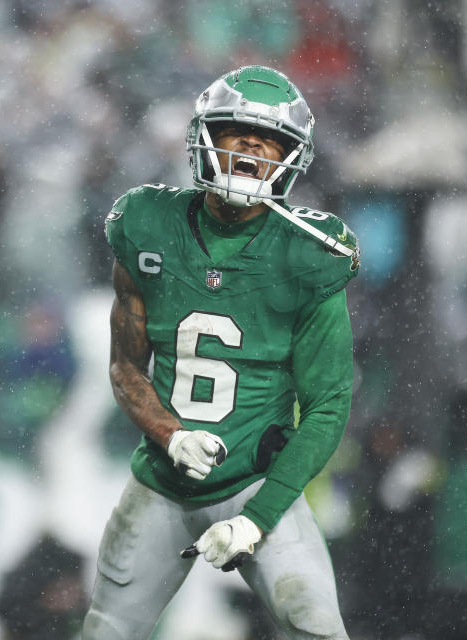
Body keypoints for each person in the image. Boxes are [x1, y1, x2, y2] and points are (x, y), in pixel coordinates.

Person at [83, 65, 360, 640]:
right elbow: (126, 366)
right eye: (238, 133)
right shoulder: (147, 225)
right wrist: (170, 433)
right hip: (162, 482)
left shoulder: (309, 253)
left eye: (272, 141)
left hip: (257, 481)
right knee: (107, 631)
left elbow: (328, 407)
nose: (252, 150)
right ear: (205, 137)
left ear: (294, 157)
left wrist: (256, 521)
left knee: (317, 627)